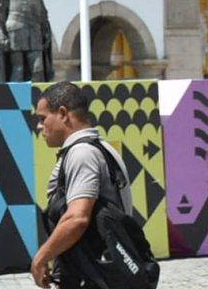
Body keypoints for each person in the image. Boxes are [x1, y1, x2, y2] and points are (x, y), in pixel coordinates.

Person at [30, 82, 139, 289]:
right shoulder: (100, 147)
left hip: (94, 276)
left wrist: (40, 259)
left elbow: (77, 218)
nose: (39, 126)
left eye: (42, 118)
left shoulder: (82, 154)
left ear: (63, 113)